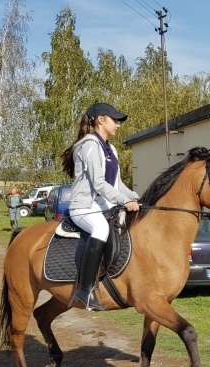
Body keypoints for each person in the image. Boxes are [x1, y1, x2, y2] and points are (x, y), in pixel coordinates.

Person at [62, 102, 141, 311]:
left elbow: (118, 184)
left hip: (103, 206)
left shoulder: (111, 148)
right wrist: (124, 201)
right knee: (101, 229)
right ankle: (85, 290)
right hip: (84, 207)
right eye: (114, 120)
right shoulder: (89, 145)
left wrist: (137, 197)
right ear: (100, 120)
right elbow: (98, 183)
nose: (118, 124)